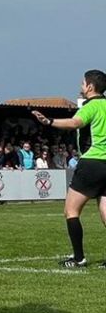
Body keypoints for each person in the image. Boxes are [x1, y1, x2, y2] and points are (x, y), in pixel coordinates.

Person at [32, 69, 106, 268]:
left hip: (92, 162)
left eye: (83, 84)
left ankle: (79, 258)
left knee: (71, 210)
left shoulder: (92, 105)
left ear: (90, 86)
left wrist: (49, 121)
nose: (81, 87)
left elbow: (75, 123)